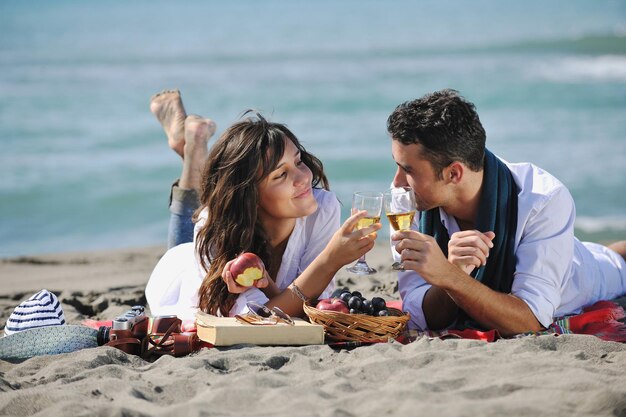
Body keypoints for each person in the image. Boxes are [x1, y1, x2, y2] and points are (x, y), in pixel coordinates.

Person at [386, 89, 626, 337]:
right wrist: (452, 272)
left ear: (454, 173)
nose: (397, 182)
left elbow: (530, 321)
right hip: (550, 250)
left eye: (408, 170)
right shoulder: (406, 201)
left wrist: (450, 276)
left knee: (616, 261)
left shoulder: (542, 199)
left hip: (585, 274)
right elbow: (419, 316)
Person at [145, 90, 381, 320]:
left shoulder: (323, 207)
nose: (303, 178)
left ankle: (192, 145)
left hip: (229, 220)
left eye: (298, 161)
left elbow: (307, 304)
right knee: (196, 221)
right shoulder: (215, 229)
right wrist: (330, 260)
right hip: (179, 274)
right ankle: (192, 151)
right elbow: (256, 319)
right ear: (250, 195)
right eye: (281, 175)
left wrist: (268, 285)